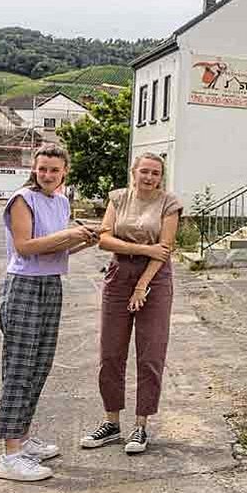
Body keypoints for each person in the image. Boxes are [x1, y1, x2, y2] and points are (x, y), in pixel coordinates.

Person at [0, 144, 100, 482]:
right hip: (23, 286)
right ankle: (10, 456)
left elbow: (57, 247)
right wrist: (70, 234)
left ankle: (23, 439)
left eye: (54, 170)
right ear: (34, 168)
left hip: (50, 284)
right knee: (19, 368)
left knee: (40, 365)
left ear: (64, 171)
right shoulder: (23, 199)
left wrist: (85, 240)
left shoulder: (62, 201)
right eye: (42, 169)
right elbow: (26, 246)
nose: (48, 175)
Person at [81, 152, 181, 454]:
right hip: (118, 273)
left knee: (150, 353)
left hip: (155, 279)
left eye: (155, 173)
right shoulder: (118, 198)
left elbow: (163, 251)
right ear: (133, 172)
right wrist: (140, 248)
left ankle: (141, 426)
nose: (149, 177)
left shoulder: (169, 204)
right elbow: (104, 239)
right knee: (110, 353)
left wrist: (142, 285)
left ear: (160, 177)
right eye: (145, 172)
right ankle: (111, 422)